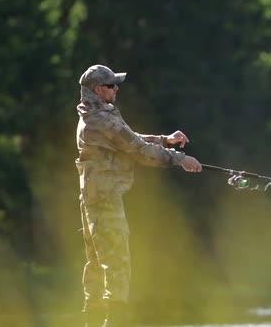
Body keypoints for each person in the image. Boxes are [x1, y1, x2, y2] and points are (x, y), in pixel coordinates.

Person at [75, 64, 202, 327]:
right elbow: (137, 150)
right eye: (111, 85)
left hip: (94, 199)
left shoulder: (95, 116)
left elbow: (129, 139)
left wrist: (164, 140)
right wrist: (179, 159)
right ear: (98, 89)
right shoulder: (101, 121)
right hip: (105, 201)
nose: (116, 89)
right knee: (117, 266)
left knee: (97, 268)